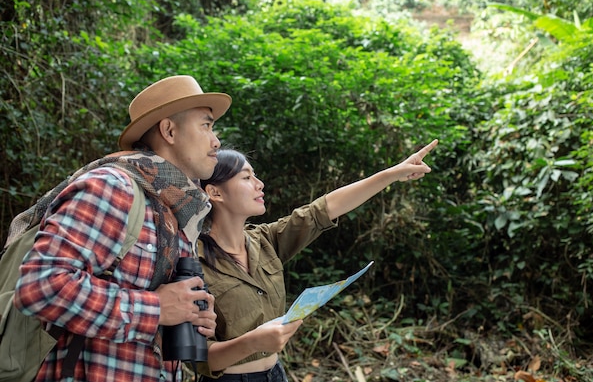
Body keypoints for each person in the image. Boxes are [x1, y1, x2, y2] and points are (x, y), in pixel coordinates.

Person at [13, 75, 229, 382]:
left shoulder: (172, 210)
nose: (216, 140)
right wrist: (156, 309)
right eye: (206, 125)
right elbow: (41, 286)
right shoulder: (113, 187)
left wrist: (188, 313)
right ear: (169, 130)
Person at [194, 139, 438, 381]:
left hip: (276, 374)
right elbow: (198, 357)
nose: (260, 184)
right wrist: (252, 342)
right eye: (247, 178)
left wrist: (392, 174)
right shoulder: (194, 260)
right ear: (215, 192)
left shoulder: (265, 241)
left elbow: (324, 209)